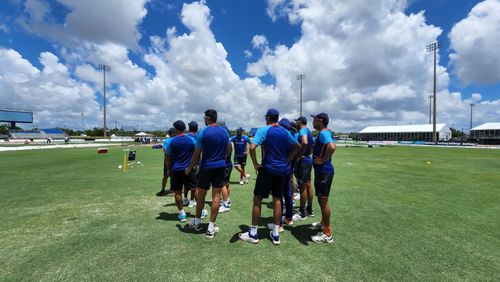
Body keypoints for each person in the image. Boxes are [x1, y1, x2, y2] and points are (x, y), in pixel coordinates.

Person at [239, 109, 300, 245]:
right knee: (278, 199)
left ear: (267, 118)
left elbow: (253, 147)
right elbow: (297, 146)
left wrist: (255, 164)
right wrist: (289, 158)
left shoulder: (264, 130)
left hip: (268, 169)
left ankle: (253, 233)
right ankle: (276, 233)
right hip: (283, 170)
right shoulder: (285, 131)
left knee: (257, 198)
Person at [185, 109, 230, 239]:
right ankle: (211, 228)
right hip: (220, 166)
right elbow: (228, 150)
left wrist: (189, 168)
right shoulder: (224, 132)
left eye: (204, 118)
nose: (204, 120)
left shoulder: (203, 132)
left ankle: (197, 222)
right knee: (216, 196)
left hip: (206, 166)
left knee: (201, 195)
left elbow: (196, 154)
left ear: (208, 118)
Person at [310, 113, 336, 243]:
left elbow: (332, 147)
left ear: (320, 121)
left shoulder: (324, 133)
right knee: (322, 200)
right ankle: (322, 222)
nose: (313, 121)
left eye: (314, 119)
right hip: (323, 171)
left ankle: (327, 233)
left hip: (324, 171)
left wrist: (321, 160)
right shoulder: (324, 132)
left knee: (323, 201)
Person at [165, 121, 197, 222]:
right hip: (188, 169)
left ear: (176, 129)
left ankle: (182, 214)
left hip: (175, 170)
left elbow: (168, 158)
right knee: (194, 189)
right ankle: (200, 211)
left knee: (177, 192)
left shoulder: (171, 141)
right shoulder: (191, 140)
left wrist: (168, 170)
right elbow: (197, 153)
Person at [292, 116, 315, 221]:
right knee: (308, 184)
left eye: (296, 121)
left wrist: (300, 155)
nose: (295, 122)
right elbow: (312, 146)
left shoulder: (303, 130)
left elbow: (305, 142)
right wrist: (307, 154)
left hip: (303, 162)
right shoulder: (309, 131)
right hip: (308, 160)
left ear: (300, 122)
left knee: (302, 186)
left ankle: (302, 212)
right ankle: (309, 208)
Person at [183, 121, 199, 207]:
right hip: (196, 162)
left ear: (189, 128)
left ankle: (185, 198)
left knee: (186, 182)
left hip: (186, 162)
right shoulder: (199, 136)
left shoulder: (186, 136)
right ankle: (192, 201)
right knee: (194, 183)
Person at [157, 127, 176, 196]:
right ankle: (173, 189)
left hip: (167, 160)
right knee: (174, 176)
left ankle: (163, 189)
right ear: (173, 133)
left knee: (165, 176)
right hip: (175, 160)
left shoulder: (166, 141)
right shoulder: (177, 139)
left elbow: (164, 150)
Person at [219, 125, 233, 213]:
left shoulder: (224, 142)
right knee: (226, 183)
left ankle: (225, 204)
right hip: (229, 164)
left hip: (224, 165)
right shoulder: (229, 141)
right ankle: (227, 199)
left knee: (222, 184)